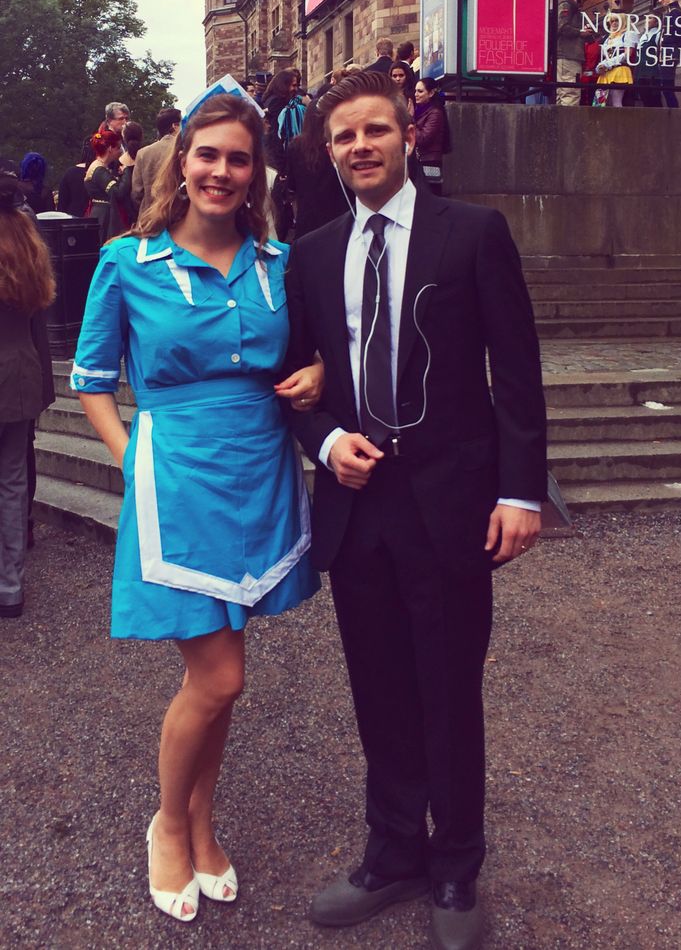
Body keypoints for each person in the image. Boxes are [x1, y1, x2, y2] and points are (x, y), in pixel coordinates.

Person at [283, 71, 546, 950]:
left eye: (374, 131)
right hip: (358, 511)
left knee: (447, 688)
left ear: (407, 137)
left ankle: (455, 864)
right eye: (342, 137)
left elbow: (515, 372)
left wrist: (520, 490)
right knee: (380, 688)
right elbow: (291, 384)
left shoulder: (470, 233)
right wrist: (323, 441)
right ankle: (393, 851)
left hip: (452, 505)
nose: (359, 147)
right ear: (328, 153)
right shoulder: (314, 253)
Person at [71, 85, 322, 923]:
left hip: (259, 474)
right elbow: (92, 381)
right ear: (182, 162)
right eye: (207, 154)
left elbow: (321, 357)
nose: (220, 170)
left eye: (237, 158)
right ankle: (170, 826)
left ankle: (204, 822)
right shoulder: (126, 262)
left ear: (257, 174)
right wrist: (131, 456)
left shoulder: (282, 265)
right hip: (174, 476)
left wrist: (319, 374)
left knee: (223, 681)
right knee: (218, 676)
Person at [0, 174, 56, 617]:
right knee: (13, 480)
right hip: (20, 371)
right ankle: (10, 586)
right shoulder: (26, 241)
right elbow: (39, 318)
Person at [284, 102, 352, 239]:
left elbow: (291, 184)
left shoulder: (296, 146)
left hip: (308, 219)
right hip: (339, 217)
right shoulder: (339, 146)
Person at [131, 107, 182, 217]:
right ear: (174, 126)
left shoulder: (142, 153)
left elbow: (136, 193)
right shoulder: (184, 150)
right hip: (177, 217)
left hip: (148, 218)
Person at [83, 129, 131, 241]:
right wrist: (126, 172)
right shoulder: (99, 170)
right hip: (105, 218)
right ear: (110, 149)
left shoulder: (99, 167)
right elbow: (117, 193)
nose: (120, 151)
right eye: (118, 148)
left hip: (102, 214)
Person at [413, 77, 449, 194]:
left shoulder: (435, 113)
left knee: (430, 196)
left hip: (429, 162)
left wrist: (410, 120)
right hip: (418, 161)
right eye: (415, 91)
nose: (416, 94)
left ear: (431, 93)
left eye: (420, 91)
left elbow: (423, 139)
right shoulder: (419, 111)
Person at [556, 0, 592, 105]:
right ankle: (567, 122)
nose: (585, 1)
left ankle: (561, 121)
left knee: (564, 93)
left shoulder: (571, 8)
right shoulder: (567, 6)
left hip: (567, 57)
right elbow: (562, 28)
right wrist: (581, 33)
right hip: (569, 56)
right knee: (570, 92)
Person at [656, 0, 681, 108]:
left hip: (669, 55)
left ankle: (674, 115)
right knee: (666, 88)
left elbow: (678, 36)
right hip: (666, 55)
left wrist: (676, 53)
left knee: (667, 88)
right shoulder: (671, 12)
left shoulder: (675, 12)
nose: (659, 0)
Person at [594, 13, 635, 108]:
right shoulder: (608, 38)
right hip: (606, 72)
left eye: (617, 20)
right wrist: (599, 67)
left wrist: (608, 64)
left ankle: (619, 123)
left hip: (620, 71)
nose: (614, 23)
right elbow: (604, 57)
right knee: (600, 104)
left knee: (616, 103)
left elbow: (627, 54)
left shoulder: (628, 34)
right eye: (612, 21)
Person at [58, 141, 96, 217]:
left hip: (72, 220)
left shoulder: (69, 173)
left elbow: (62, 204)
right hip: (94, 219)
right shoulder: (100, 172)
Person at [635, 14, 663, 107]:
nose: (647, 20)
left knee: (654, 98)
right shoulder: (643, 36)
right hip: (641, 71)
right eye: (646, 18)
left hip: (652, 71)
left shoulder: (658, 34)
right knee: (644, 98)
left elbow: (661, 51)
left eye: (650, 18)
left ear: (656, 22)